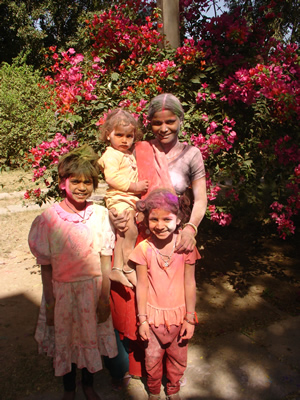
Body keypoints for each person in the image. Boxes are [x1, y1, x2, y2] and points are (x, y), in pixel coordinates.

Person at [109, 93, 207, 379]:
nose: (164, 128)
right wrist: (115, 210)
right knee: (133, 299)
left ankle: (171, 368)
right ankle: (139, 369)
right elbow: (119, 182)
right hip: (139, 233)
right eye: (156, 123)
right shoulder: (138, 149)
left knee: (171, 297)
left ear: (180, 120)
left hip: (175, 237)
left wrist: (191, 228)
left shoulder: (192, 154)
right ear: (149, 123)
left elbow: (200, 200)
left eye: (170, 121)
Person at [28, 145, 118, 400]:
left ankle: (88, 386)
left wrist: (104, 299)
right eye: (75, 181)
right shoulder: (48, 220)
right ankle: (69, 390)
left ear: (94, 184)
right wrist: (50, 302)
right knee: (66, 343)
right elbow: (46, 266)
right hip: (62, 296)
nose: (81, 187)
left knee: (89, 340)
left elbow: (105, 259)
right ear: (62, 183)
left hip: (92, 294)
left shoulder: (100, 216)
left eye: (87, 182)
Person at [130, 189, 200, 400]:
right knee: (152, 359)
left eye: (166, 219)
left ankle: (173, 388)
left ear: (178, 219)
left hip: (179, 318)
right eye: (154, 219)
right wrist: (142, 320)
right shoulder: (144, 249)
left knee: (178, 358)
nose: (160, 225)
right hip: (152, 319)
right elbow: (141, 286)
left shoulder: (186, 247)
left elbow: (190, 283)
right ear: (146, 219)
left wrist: (190, 318)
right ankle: (153, 390)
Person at [98, 109, 149, 288]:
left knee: (123, 233)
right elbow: (111, 178)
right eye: (119, 135)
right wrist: (135, 187)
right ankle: (128, 266)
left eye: (129, 135)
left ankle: (116, 269)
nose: (124, 139)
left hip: (128, 199)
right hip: (119, 198)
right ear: (107, 135)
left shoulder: (127, 153)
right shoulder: (111, 155)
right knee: (131, 231)